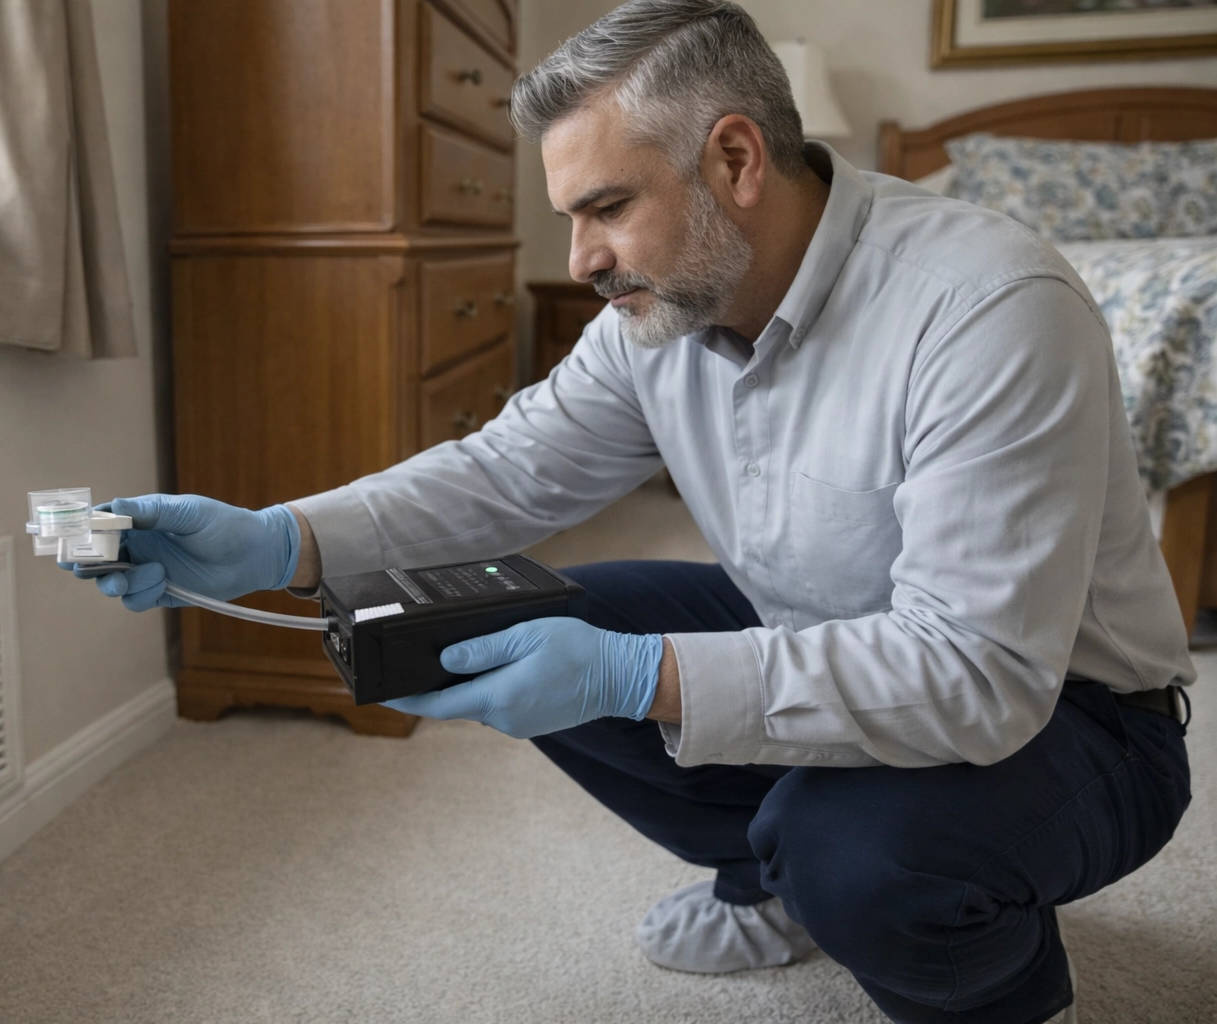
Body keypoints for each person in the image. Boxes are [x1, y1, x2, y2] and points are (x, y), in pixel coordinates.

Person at [81, 3, 1193, 1021]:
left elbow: (980, 675)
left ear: (736, 159)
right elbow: (503, 472)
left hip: (1073, 713)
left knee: (856, 858)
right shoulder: (656, 318)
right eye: (572, 217)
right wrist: (282, 540)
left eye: (608, 207)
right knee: (522, 613)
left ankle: (1002, 994)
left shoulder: (985, 307)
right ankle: (769, 880)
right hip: (819, 631)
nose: (583, 260)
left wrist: (638, 675)